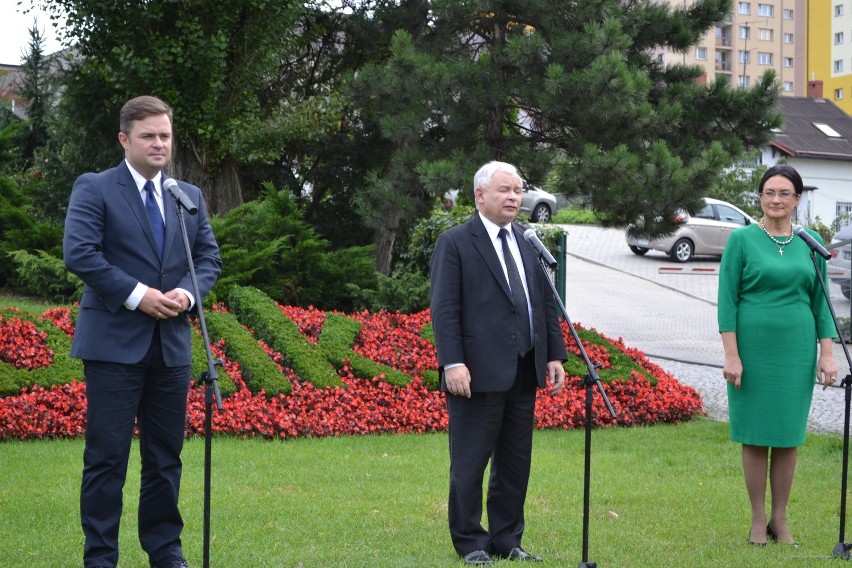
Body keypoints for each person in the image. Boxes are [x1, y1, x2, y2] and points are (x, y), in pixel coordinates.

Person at [64, 95, 222, 568]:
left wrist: (186, 296)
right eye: (149, 135)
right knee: (107, 459)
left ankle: (165, 550)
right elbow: (81, 253)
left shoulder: (185, 196)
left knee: (165, 458)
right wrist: (139, 295)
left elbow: (209, 259)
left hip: (171, 347)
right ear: (124, 139)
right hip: (113, 346)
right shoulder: (95, 188)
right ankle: (100, 557)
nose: (159, 144)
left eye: (165, 136)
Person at [430, 161, 567, 565]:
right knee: (469, 463)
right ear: (480, 196)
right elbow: (445, 309)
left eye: (518, 190)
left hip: (524, 369)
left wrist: (554, 353)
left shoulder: (527, 240)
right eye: (505, 190)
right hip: (476, 373)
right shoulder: (455, 242)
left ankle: (508, 539)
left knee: (514, 462)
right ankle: (471, 542)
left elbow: (545, 303)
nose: (514, 197)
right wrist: (453, 362)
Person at [718, 163, 837, 547]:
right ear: (760, 197)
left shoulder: (810, 241)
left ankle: (779, 520)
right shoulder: (741, 240)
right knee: (754, 436)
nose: (776, 200)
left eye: (785, 193)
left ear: (797, 200)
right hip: (752, 351)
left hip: (796, 351)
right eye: (769, 192)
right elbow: (727, 302)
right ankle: (756, 519)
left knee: (787, 437)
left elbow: (822, 303)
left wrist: (826, 354)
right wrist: (732, 356)